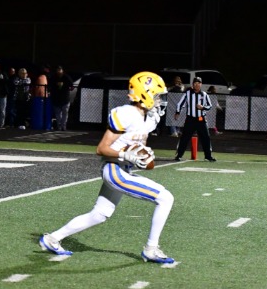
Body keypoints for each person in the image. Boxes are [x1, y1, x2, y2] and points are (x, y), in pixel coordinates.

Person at [38, 71, 176, 264]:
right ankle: (151, 249)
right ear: (145, 94)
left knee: (99, 215)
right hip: (114, 170)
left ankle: (52, 238)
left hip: (123, 170)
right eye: (157, 95)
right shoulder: (126, 114)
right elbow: (101, 148)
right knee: (165, 198)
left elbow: (138, 146)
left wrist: (141, 158)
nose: (160, 100)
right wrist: (125, 155)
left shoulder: (149, 118)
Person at [173, 76, 216, 162]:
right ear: (193, 84)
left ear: (201, 84)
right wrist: (177, 112)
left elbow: (210, 106)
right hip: (190, 119)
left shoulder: (204, 94)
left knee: (206, 137)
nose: (197, 85)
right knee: (185, 137)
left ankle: (208, 156)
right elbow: (180, 103)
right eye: (195, 83)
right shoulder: (188, 93)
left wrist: (203, 107)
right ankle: (179, 155)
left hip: (201, 119)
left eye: (198, 83)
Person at [49, 65, 73, 131]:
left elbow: (71, 85)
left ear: (62, 71)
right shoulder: (53, 77)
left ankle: (63, 126)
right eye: (58, 70)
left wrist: (69, 88)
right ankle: (59, 126)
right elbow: (49, 86)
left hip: (65, 99)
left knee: (65, 113)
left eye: (60, 70)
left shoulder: (66, 77)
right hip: (56, 99)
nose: (59, 71)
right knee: (58, 114)